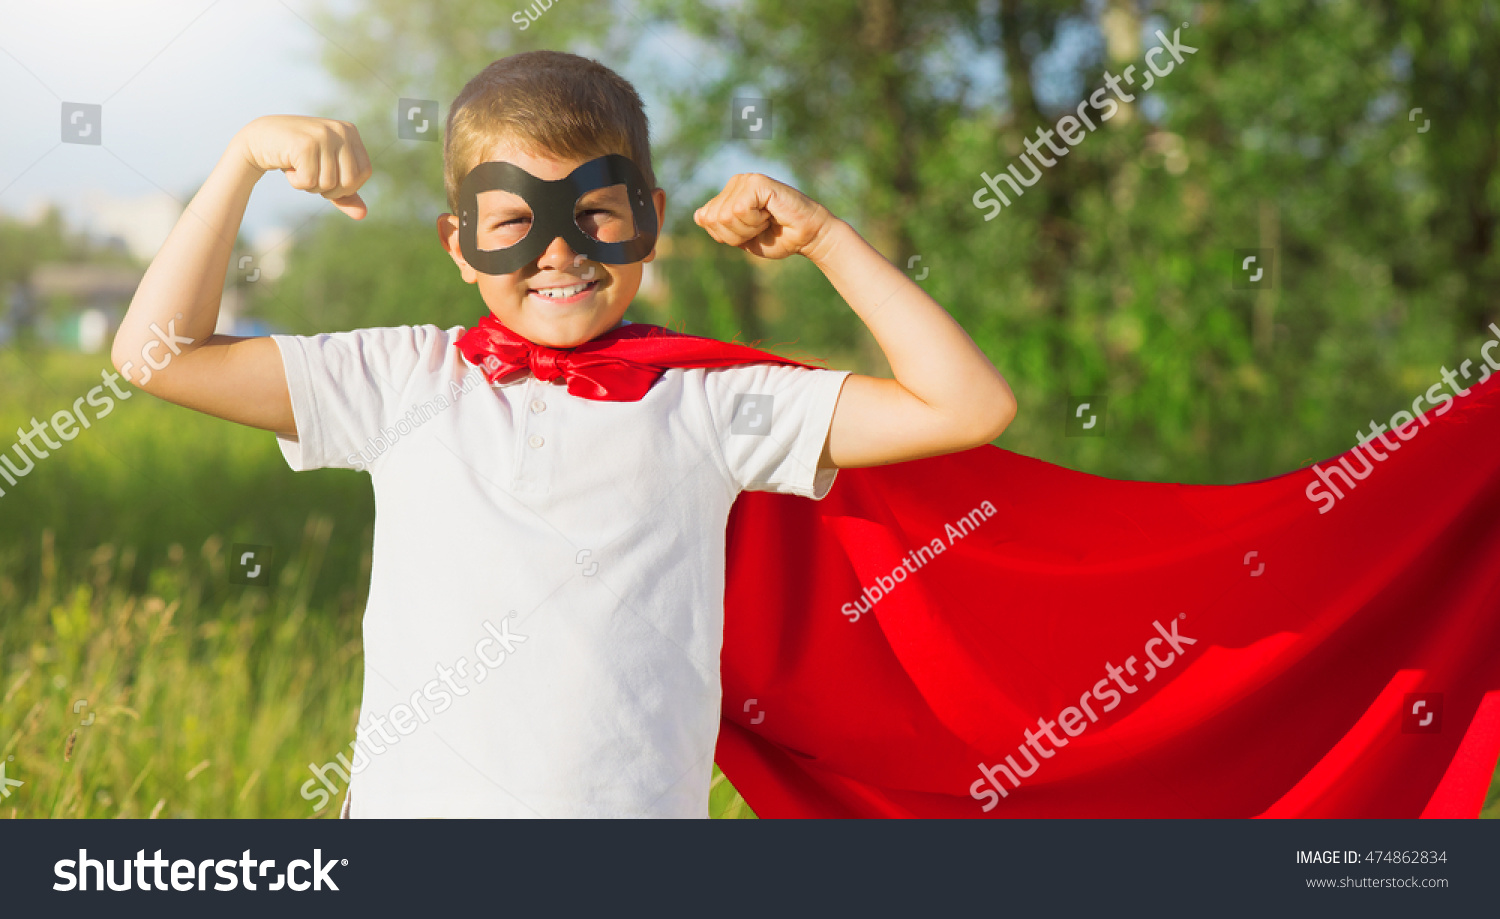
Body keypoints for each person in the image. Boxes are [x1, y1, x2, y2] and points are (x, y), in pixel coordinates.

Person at [111, 49, 1016, 817]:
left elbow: (965, 406)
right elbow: (159, 355)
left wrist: (823, 236)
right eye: (513, 220)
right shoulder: (400, 380)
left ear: (648, 221)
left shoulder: (710, 403)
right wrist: (240, 161)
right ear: (459, 245)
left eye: (594, 214)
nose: (557, 251)